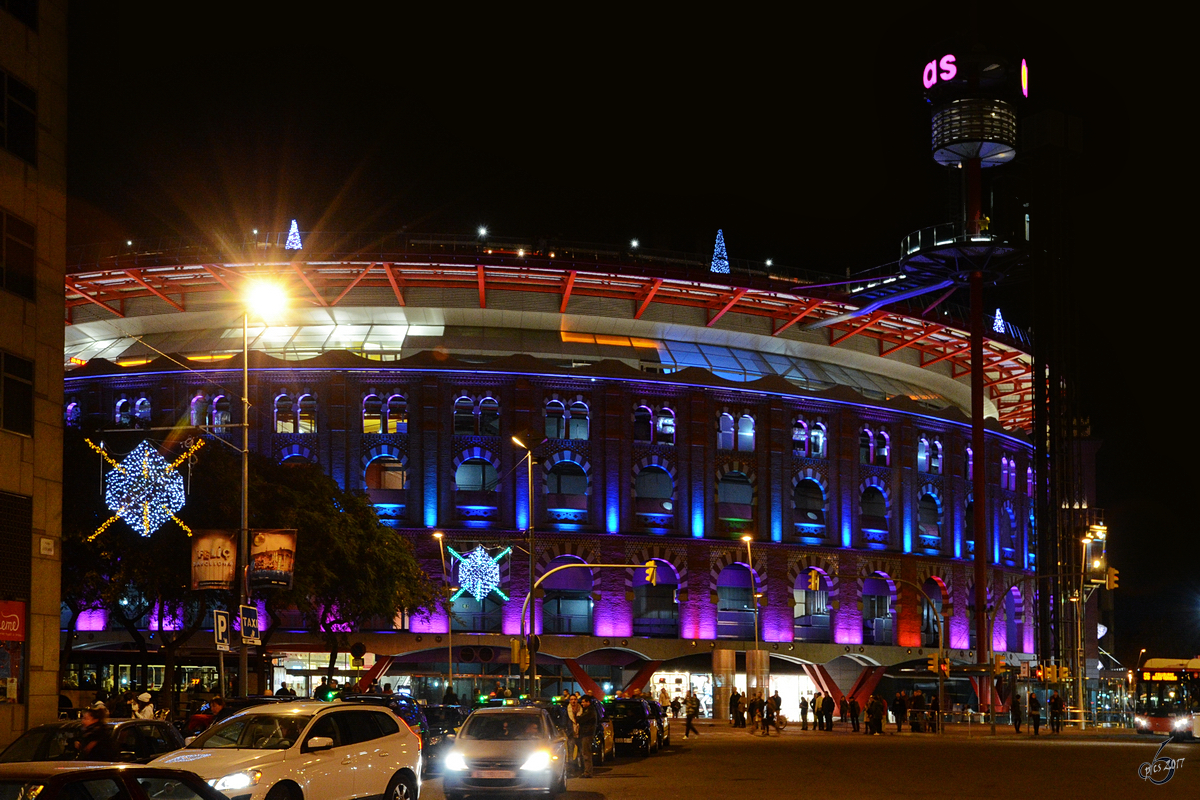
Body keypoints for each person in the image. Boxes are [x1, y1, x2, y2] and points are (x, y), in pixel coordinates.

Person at [576, 696, 598, 777]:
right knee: (584, 752)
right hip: (585, 733)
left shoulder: (590, 711)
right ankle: (587, 771)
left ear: (588, 702)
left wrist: (577, 716)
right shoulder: (588, 710)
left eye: (583, 702)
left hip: (587, 733)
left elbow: (580, 719)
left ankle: (588, 772)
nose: (582, 704)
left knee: (586, 753)